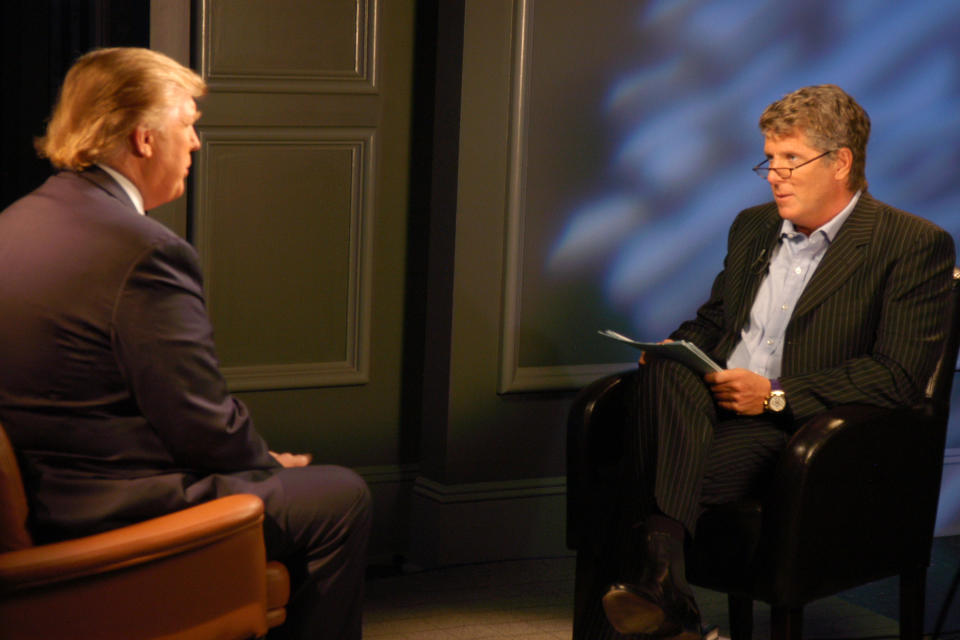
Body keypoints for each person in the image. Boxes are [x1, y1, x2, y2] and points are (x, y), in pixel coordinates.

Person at [0, 47, 371, 640]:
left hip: (51, 493)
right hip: (110, 508)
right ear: (145, 138)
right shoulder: (144, 250)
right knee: (339, 495)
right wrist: (264, 463)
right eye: (189, 123)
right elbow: (203, 423)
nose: (195, 143)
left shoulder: (13, 223)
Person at [591, 85, 955, 639]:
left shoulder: (911, 243)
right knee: (667, 370)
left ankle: (664, 604)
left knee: (641, 472)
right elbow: (716, 322)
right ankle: (670, 596)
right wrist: (670, 348)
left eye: (791, 159)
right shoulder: (752, 226)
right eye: (770, 158)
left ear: (840, 163)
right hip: (706, 405)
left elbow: (899, 376)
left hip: (796, 429)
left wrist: (775, 394)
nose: (773, 173)